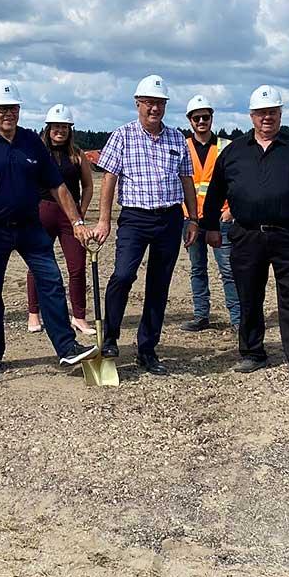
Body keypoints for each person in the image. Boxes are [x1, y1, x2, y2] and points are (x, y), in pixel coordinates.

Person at [0, 80, 98, 380]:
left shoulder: (32, 143)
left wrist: (77, 222)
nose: (9, 114)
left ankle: (66, 347)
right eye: (3, 109)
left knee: (51, 281)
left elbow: (57, 186)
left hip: (30, 227)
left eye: (14, 108)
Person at [202, 85, 289, 387]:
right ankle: (252, 352)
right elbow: (216, 190)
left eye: (272, 112)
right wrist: (209, 226)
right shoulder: (233, 152)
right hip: (247, 236)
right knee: (248, 295)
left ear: (280, 113)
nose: (266, 118)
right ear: (251, 116)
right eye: (261, 113)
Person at [92, 74, 200, 376]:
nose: (154, 108)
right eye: (149, 103)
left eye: (160, 103)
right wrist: (104, 220)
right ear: (138, 104)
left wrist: (193, 218)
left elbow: (187, 181)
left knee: (158, 285)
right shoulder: (122, 135)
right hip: (135, 218)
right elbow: (109, 180)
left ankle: (147, 349)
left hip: (169, 219)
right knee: (123, 275)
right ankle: (110, 337)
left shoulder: (178, 138)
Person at [26, 104, 95, 335]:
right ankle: (34, 313)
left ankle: (79, 316)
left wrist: (81, 211)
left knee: (77, 266)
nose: (60, 131)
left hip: (70, 216)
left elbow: (87, 185)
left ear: (70, 130)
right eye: (56, 126)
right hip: (42, 212)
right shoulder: (37, 152)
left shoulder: (77, 155)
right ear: (48, 128)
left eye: (64, 127)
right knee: (37, 265)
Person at [180, 94, 240, 334]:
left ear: (211, 118)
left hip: (220, 219)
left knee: (228, 270)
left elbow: (239, 182)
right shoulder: (182, 147)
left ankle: (238, 319)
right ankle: (201, 316)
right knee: (197, 268)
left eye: (206, 116)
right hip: (190, 219)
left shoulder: (227, 146)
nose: (202, 121)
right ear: (190, 121)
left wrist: (231, 211)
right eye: (197, 118)